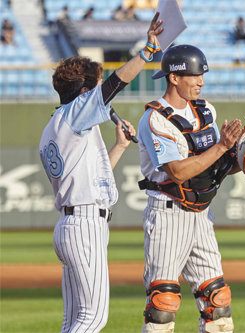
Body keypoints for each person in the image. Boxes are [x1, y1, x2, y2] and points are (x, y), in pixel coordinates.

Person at [39, 13, 163, 333]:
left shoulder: (58, 125)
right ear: (83, 92)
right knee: (93, 318)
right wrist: (147, 52)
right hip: (83, 225)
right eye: (94, 86)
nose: (99, 93)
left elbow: (88, 174)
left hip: (71, 222)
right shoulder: (75, 113)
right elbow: (114, 84)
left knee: (74, 321)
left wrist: (119, 147)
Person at [137, 44, 245, 333]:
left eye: (202, 75)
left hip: (202, 214)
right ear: (174, 78)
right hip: (168, 214)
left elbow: (215, 165)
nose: (201, 81)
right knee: (162, 306)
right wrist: (224, 146)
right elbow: (177, 171)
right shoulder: (155, 119)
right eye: (194, 75)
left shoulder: (206, 110)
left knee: (218, 303)